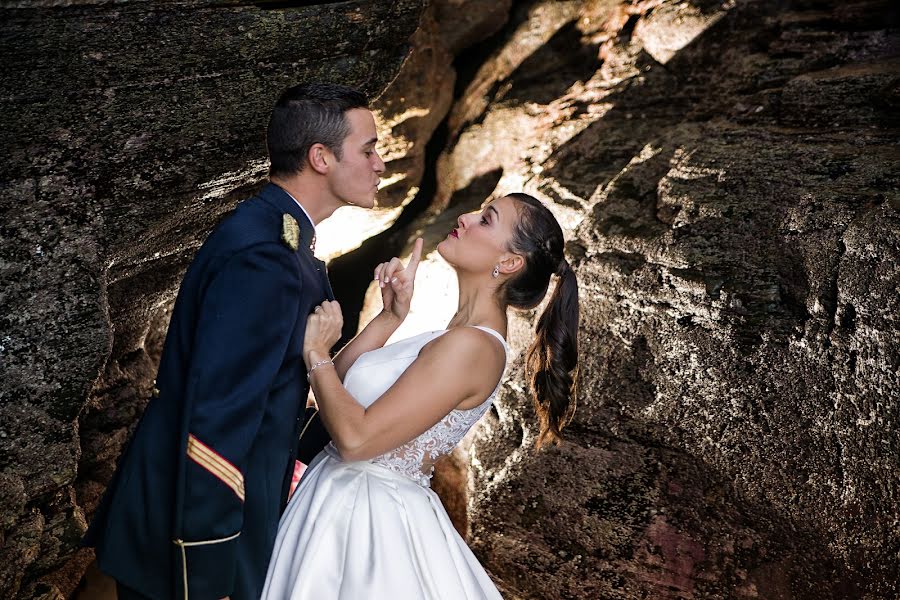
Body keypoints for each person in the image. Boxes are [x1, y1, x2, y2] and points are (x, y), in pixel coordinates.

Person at [83, 83, 385, 600]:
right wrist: (208, 562)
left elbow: (272, 395)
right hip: (193, 535)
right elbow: (218, 416)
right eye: (369, 148)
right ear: (320, 158)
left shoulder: (283, 239)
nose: (380, 163)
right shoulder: (264, 256)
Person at [261, 192, 580, 598]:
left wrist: (316, 351)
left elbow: (356, 440)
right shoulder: (451, 335)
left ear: (510, 262)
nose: (464, 217)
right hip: (335, 502)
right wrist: (389, 318)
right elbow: (334, 390)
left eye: (486, 219)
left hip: (365, 528)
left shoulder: (473, 348)